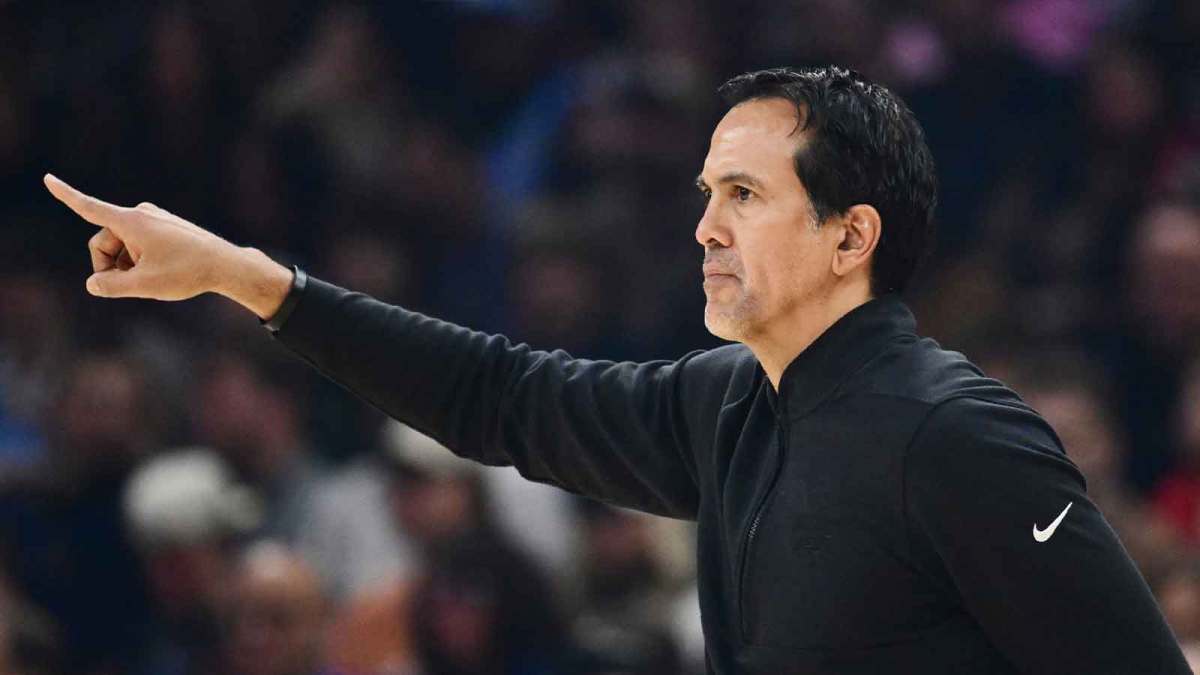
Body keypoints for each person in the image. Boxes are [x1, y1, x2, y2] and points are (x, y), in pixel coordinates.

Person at [44, 65, 1189, 673]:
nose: (705, 227)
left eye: (744, 195)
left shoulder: (958, 437)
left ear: (853, 236)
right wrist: (251, 279)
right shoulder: (726, 402)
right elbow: (498, 396)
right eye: (706, 195)